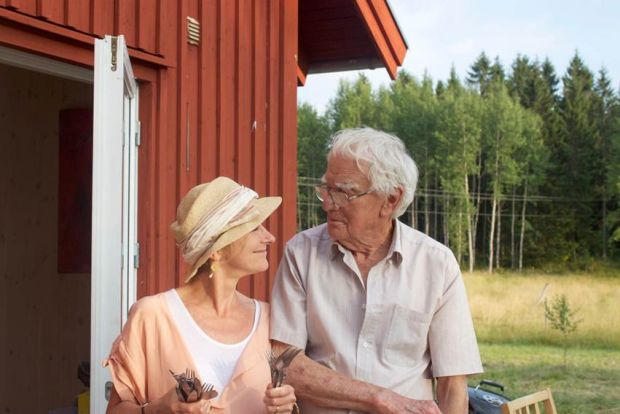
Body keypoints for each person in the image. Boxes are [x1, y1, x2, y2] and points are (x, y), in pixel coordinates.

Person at [270, 128, 483, 414]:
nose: (329, 204)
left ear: (391, 200)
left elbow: (452, 384)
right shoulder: (301, 253)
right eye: (326, 189)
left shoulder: (437, 265)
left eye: (344, 193)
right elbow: (285, 362)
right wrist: (379, 398)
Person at [105, 176, 297, 414]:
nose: (269, 237)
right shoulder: (152, 316)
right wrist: (160, 409)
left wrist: (285, 406)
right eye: (254, 228)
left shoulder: (269, 320)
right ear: (216, 251)